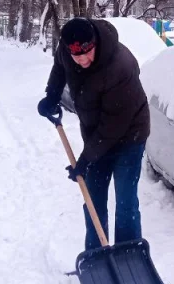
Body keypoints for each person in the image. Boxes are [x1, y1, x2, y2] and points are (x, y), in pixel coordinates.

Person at [37, 17, 150, 251]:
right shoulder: (68, 50)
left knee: (125, 201)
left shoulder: (120, 66)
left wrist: (86, 159)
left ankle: (129, 256)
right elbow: (60, 67)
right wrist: (52, 95)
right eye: (77, 56)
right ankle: (97, 256)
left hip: (129, 134)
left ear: (95, 42)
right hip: (96, 133)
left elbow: (114, 125)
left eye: (88, 53)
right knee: (93, 199)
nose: (84, 59)